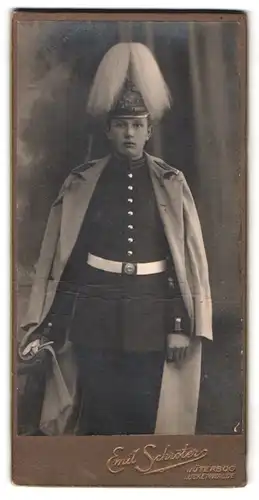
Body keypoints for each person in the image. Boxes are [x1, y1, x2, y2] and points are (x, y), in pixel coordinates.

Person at [19, 42, 213, 436]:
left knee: (142, 418)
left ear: (149, 130)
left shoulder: (170, 184)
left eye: (138, 124)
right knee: (99, 418)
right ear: (108, 129)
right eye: (122, 124)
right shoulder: (82, 183)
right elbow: (67, 258)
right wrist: (52, 324)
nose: (130, 133)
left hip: (150, 319)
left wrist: (178, 323)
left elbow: (180, 259)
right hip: (96, 319)